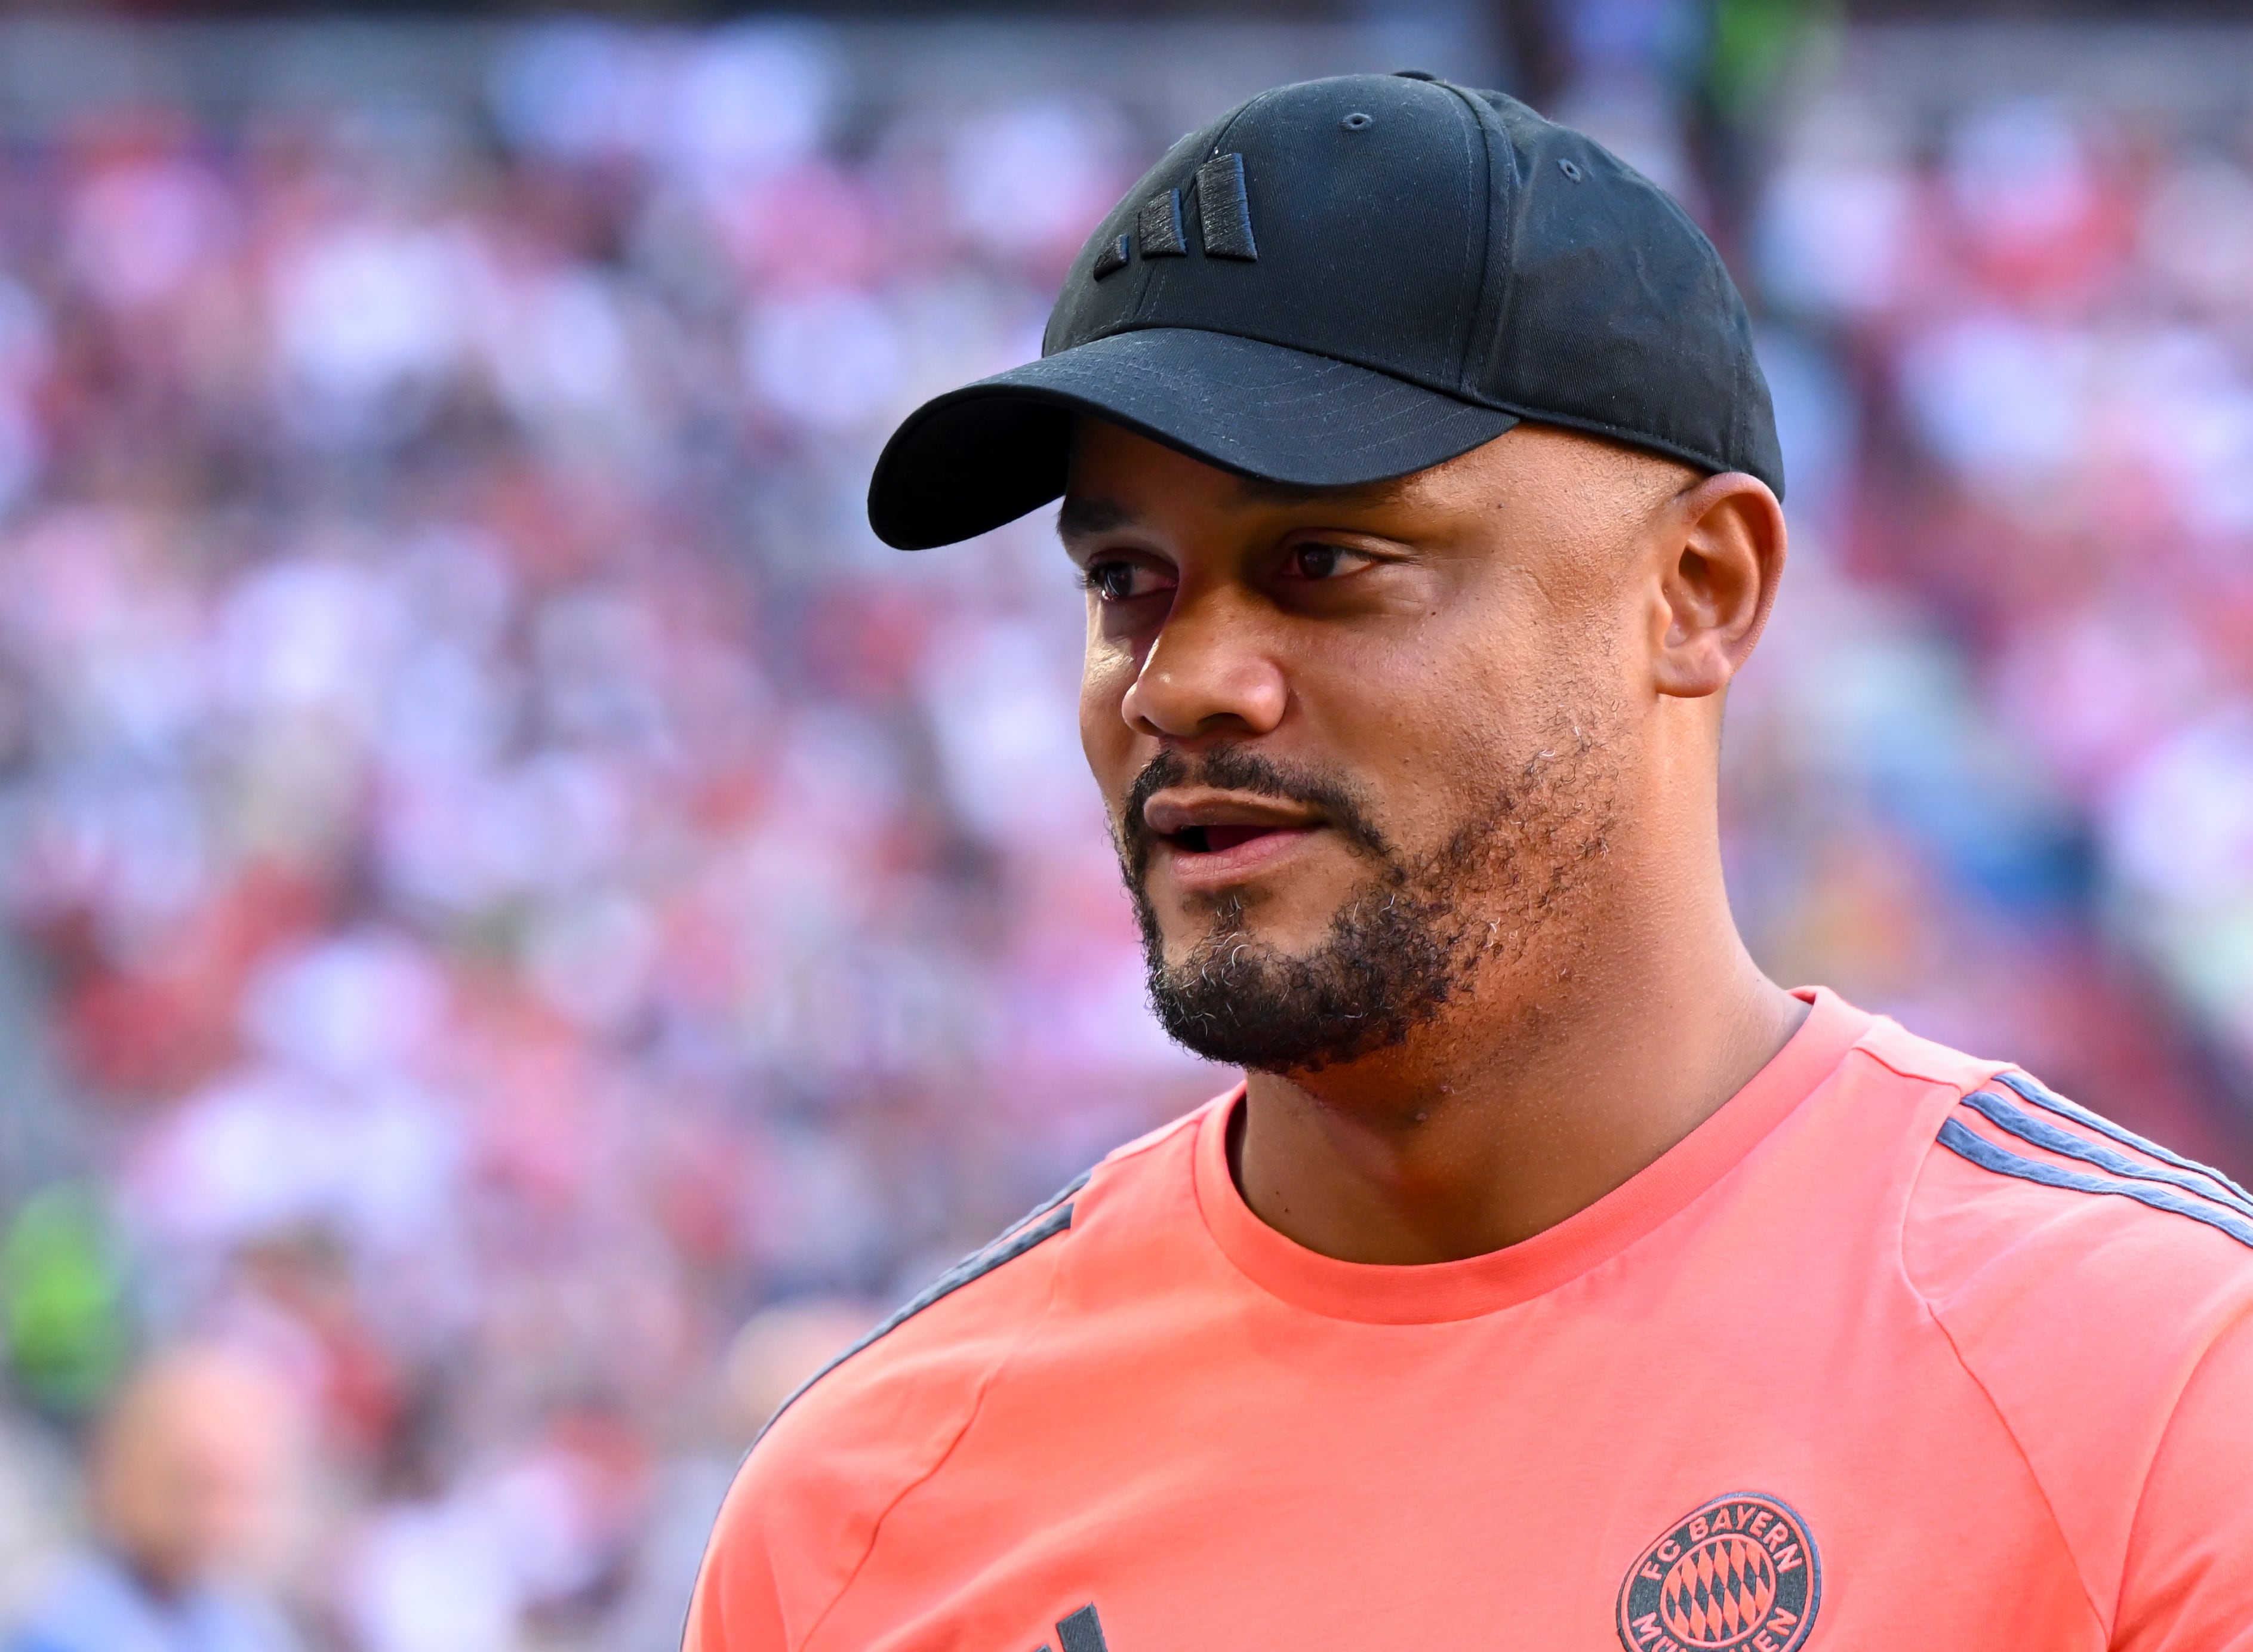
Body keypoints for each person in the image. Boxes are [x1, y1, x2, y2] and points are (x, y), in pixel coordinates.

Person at [687, 73, 2253, 1652]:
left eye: (1323, 560)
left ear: (1697, 590)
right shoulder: (858, 1515)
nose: (1177, 682)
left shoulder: (2156, 1400)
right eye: (1122, 580)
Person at [7, 1346, 301, 1652]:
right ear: (124, 1469)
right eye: (193, 1484)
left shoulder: (238, 1619)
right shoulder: (57, 1614)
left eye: (234, 1489)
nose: (217, 1517)